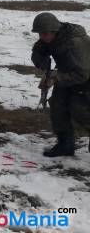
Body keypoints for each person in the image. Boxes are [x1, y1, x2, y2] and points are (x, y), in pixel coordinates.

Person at [30, 12, 90, 157]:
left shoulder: (75, 42)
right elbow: (37, 51)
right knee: (57, 106)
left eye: (45, 34)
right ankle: (65, 145)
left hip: (86, 78)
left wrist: (56, 78)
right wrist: (43, 62)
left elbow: (82, 74)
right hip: (66, 74)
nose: (42, 37)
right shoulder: (49, 38)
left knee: (82, 112)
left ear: (54, 31)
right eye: (40, 34)